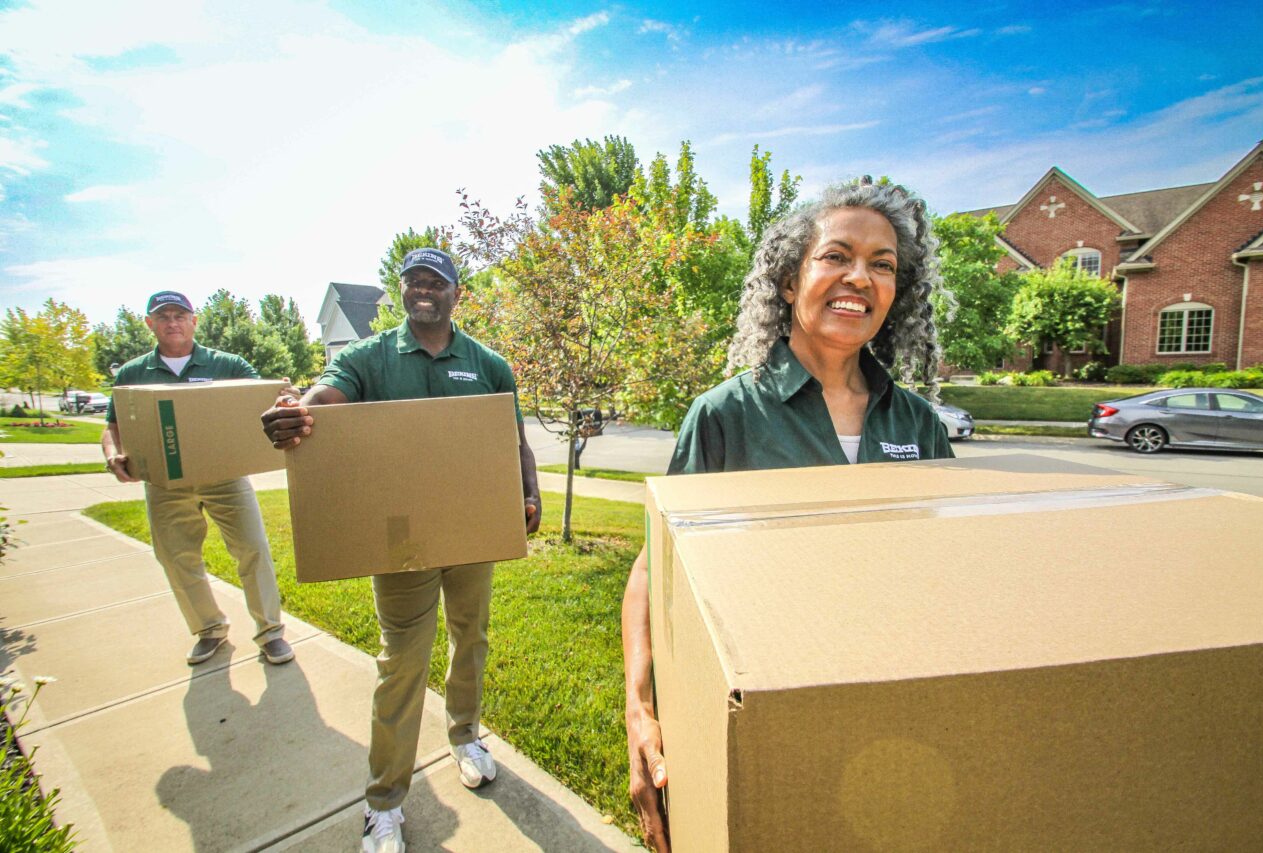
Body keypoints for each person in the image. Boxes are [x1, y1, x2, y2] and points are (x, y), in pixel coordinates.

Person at [621, 178, 954, 851]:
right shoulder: (725, 415)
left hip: (897, 719)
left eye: (883, 264)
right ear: (786, 279)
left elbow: (944, 573)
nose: (859, 276)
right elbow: (658, 568)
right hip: (766, 717)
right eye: (837, 255)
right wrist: (640, 707)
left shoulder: (918, 422)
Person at [260, 247, 542, 853]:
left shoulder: (488, 364)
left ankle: (465, 734)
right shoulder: (369, 358)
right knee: (402, 662)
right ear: (402, 291)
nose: (423, 289)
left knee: (473, 637)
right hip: (403, 541)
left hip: (471, 533)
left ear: (455, 294)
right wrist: (297, 415)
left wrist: (529, 492)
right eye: (413, 280)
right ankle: (384, 801)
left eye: (434, 282)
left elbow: (511, 435)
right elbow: (324, 401)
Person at [102, 291, 293, 667]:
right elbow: (113, 426)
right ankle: (210, 630)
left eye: (180, 315)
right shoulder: (132, 373)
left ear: (194, 320)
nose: (172, 322)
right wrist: (113, 455)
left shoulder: (227, 364)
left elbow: (266, 400)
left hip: (225, 475)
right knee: (175, 557)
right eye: (163, 316)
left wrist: (284, 395)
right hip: (164, 483)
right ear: (149, 323)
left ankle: (270, 633)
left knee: (253, 549)